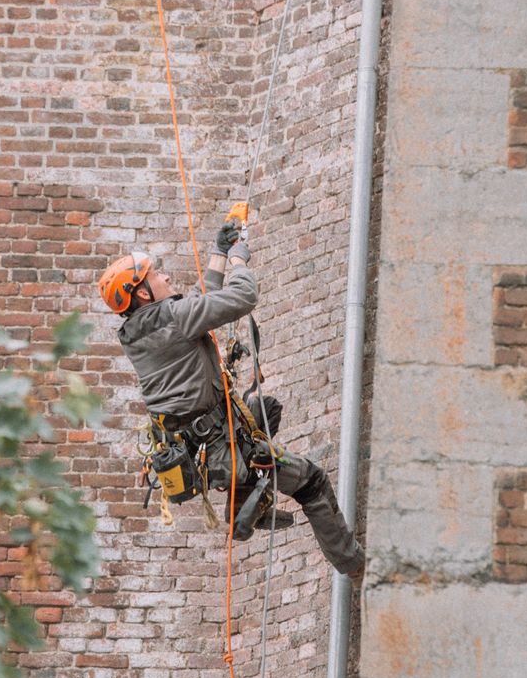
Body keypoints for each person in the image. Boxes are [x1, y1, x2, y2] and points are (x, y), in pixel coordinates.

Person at [99, 217, 364, 579]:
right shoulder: (176, 318)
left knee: (265, 410)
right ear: (143, 293)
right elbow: (242, 298)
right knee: (311, 480)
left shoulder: (136, 332)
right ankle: (357, 567)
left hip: (198, 449)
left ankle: (243, 494)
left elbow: (196, 303)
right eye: (156, 274)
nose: (165, 277)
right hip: (218, 449)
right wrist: (239, 261)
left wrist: (218, 253)